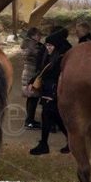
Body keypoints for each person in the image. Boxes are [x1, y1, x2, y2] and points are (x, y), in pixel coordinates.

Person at [29, 28, 71, 156]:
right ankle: (68, 141)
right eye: (46, 45)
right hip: (48, 91)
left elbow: (50, 73)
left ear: (56, 45)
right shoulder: (50, 56)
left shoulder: (61, 59)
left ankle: (44, 144)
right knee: (56, 118)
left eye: (50, 45)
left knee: (48, 116)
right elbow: (42, 71)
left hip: (53, 92)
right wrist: (32, 81)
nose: (47, 47)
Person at [20, 27, 45, 130]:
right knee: (33, 98)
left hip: (27, 72)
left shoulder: (25, 44)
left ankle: (29, 120)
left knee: (31, 98)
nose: (40, 37)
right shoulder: (33, 46)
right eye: (39, 35)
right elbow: (37, 56)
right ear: (33, 35)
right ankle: (29, 121)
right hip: (32, 73)